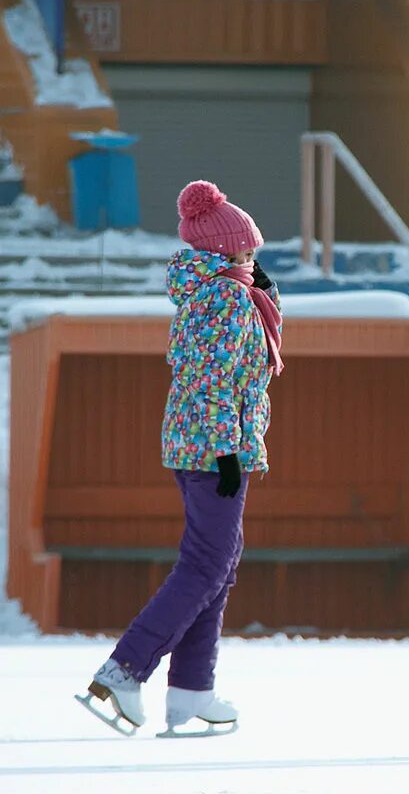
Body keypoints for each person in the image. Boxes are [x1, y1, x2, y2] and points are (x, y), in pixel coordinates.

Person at [78, 179, 283, 737]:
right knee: (206, 565)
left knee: (219, 563)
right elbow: (214, 380)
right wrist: (225, 455)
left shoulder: (221, 293)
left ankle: (192, 689)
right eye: (245, 251)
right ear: (223, 252)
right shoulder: (223, 298)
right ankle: (123, 670)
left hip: (202, 445)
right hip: (211, 450)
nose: (253, 259)